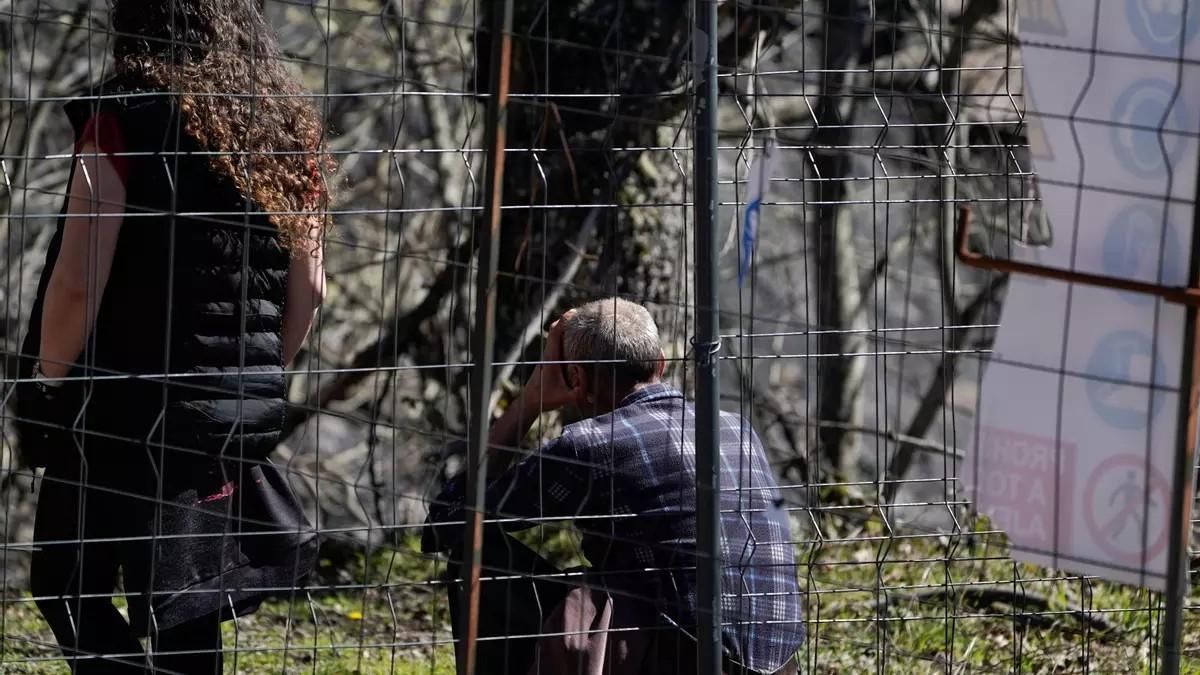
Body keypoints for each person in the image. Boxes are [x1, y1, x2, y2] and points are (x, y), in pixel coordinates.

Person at [11, 1, 328, 672]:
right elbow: (312, 287)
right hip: (220, 414)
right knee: (189, 603)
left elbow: (76, 280)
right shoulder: (282, 129)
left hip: (117, 406)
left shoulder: (123, 116)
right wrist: (251, 377)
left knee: (68, 586)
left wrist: (47, 380)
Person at [423, 298, 804, 675]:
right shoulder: (737, 429)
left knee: (474, 553)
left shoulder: (590, 444)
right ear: (660, 364)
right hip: (777, 659)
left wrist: (530, 401)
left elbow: (447, 523)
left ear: (576, 378)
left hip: (677, 657)